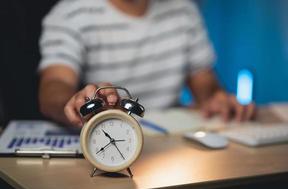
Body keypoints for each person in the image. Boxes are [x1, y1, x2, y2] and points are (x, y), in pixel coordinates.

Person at [38, 0, 255, 127]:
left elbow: (206, 87)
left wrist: (217, 100)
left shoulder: (184, 10)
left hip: (175, 146)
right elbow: (53, 86)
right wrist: (75, 102)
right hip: (109, 134)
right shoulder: (69, 13)